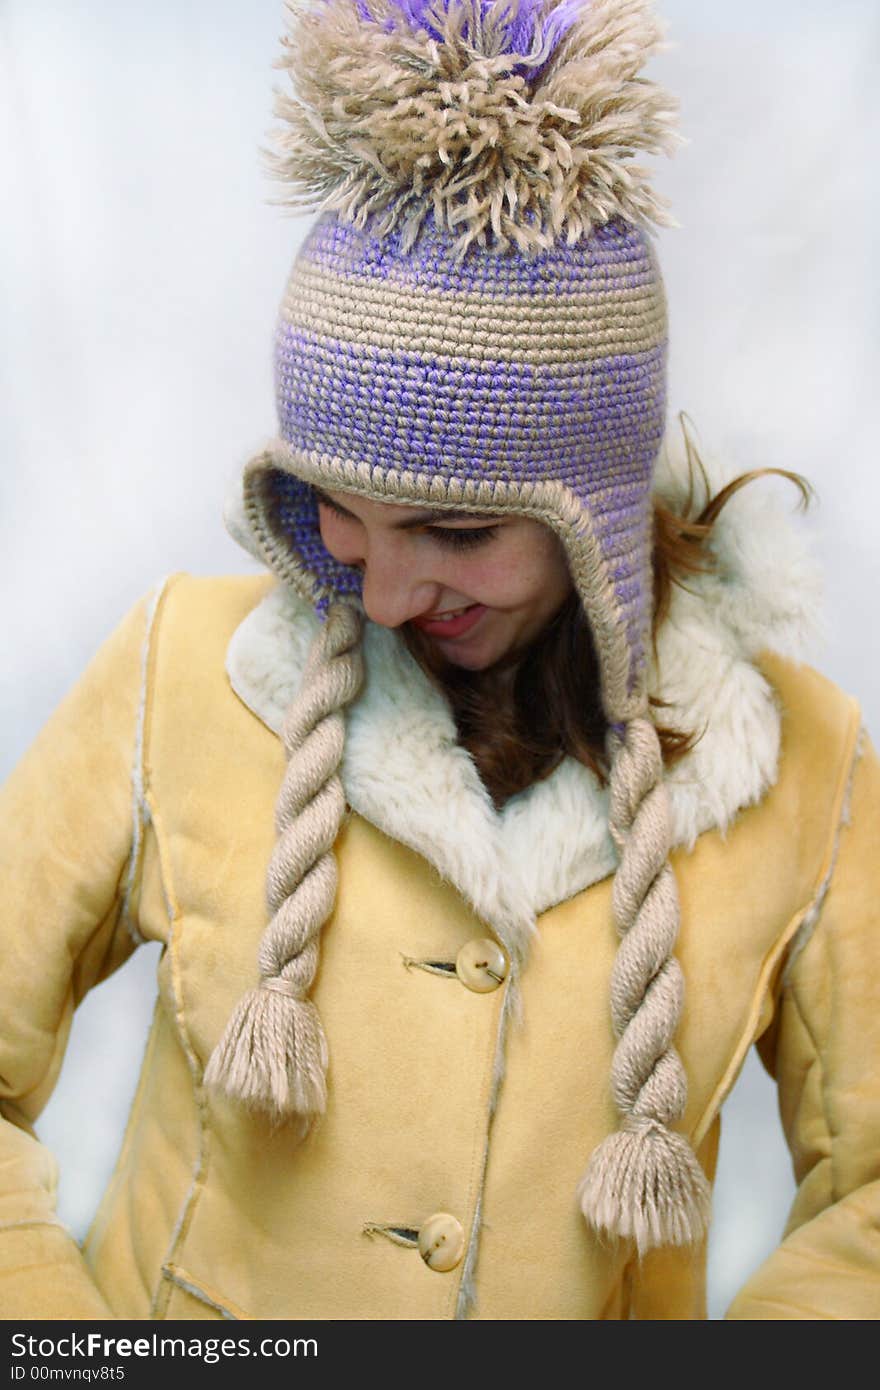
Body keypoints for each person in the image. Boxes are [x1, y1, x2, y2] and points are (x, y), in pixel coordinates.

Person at [1, 0, 878, 1321]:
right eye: (342, 516)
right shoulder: (176, 668)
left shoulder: (804, 763)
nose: (394, 589)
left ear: (595, 510)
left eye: (459, 531)